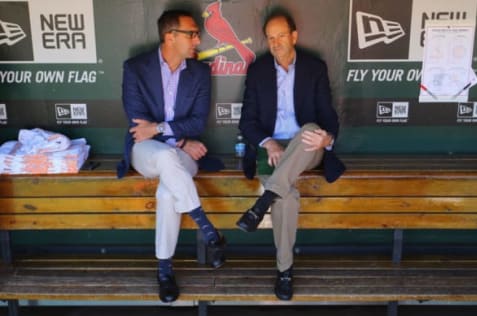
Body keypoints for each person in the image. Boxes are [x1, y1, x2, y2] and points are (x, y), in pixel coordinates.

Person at [117, 9, 226, 303]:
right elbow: (139, 128)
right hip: (147, 153)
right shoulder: (136, 68)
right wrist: (179, 140)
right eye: (191, 33)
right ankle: (208, 228)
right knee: (165, 157)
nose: (197, 39)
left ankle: (164, 270)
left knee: (167, 194)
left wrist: (164, 130)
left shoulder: (200, 72)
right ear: (170, 36)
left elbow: (197, 122)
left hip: (181, 154)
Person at [236, 9, 345, 301]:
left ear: (294, 36)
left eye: (281, 36)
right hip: (271, 149)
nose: (276, 43)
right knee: (287, 196)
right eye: (271, 38)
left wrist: (327, 138)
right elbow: (247, 122)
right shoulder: (258, 71)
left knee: (310, 128)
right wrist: (269, 143)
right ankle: (284, 270)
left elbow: (329, 118)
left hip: (307, 146)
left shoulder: (313, 68)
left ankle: (263, 201)